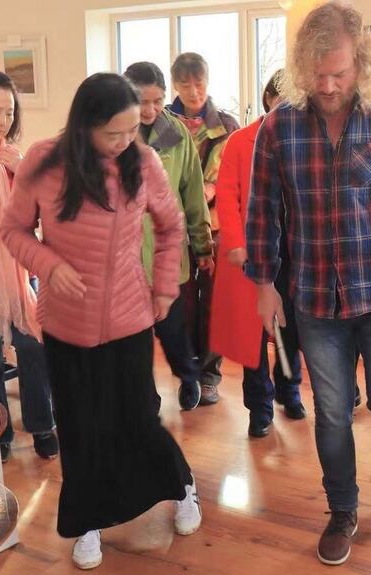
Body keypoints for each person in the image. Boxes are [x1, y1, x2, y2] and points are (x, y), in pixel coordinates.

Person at [244, 1, 371, 565]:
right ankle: (341, 509)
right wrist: (263, 285)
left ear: (360, 64)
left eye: (338, 73)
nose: (327, 86)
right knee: (332, 413)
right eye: (317, 74)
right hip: (314, 300)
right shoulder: (279, 127)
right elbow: (262, 211)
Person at [1, 73, 202, 570]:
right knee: (79, 427)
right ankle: (86, 521)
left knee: (138, 419)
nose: (125, 141)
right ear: (85, 125)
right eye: (115, 133)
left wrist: (164, 287)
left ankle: (181, 487)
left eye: (132, 130)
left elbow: (171, 225)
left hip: (129, 319)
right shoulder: (43, 162)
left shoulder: (143, 162)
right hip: (65, 324)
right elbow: (13, 230)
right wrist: (50, 265)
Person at [210, 69, 307, 439]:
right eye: (280, 99)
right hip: (254, 251)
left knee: (290, 326)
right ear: (268, 98)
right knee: (253, 333)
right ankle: (260, 407)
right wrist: (237, 243)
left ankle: (289, 389)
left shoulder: (305, 139)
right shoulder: (240, 140)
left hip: (296, 250)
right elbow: (227, 194)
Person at [0, 71, 57, 462]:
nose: (3, 121)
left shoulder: (16, 159)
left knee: (33, 345)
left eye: (9, 112)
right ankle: (0, 432)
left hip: (20, 272)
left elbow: (46, 212)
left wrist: (24, 172)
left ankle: (42, 425)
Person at [123, 61, 212, 411]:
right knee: (135, 337)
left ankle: (189, 377)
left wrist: (203, 245)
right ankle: (147, 396)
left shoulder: (176, 134)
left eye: (157, 101)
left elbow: (192, 193)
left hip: (165, 252)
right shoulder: (113, 132)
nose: (150, 109)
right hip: (125, 257)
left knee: (173, 329)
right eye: (142, 101)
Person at [167, 52, 241, 407]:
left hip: (216, 226)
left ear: (208, 82)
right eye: (185, 85)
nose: (193, 92)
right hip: (172, 228)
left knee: (214, 303)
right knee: (181, 304)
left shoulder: (226, 125)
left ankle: (210, 374)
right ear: (175, 85)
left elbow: (235, 176)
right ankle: (187, 374)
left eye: (199, 83)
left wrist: (207, 190)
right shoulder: (162, 124)